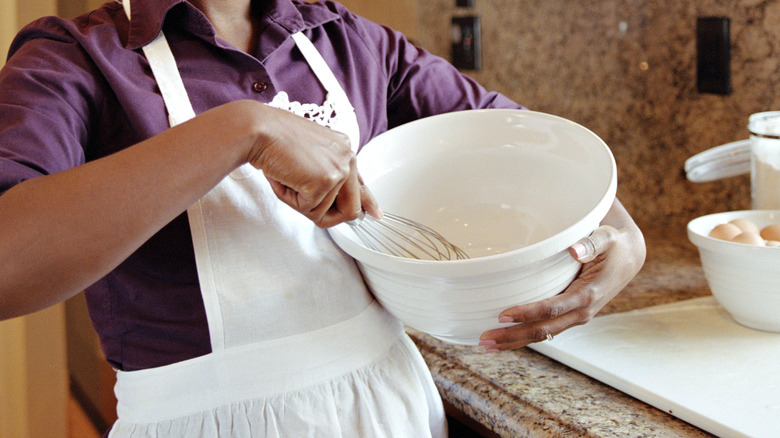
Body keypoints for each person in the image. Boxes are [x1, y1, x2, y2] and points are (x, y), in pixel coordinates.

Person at [0, 0, 646, 436]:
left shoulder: (351, 40)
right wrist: (238, 130)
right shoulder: (73, 57)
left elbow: (540, 149)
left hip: (390, 402)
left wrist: (625, 239)